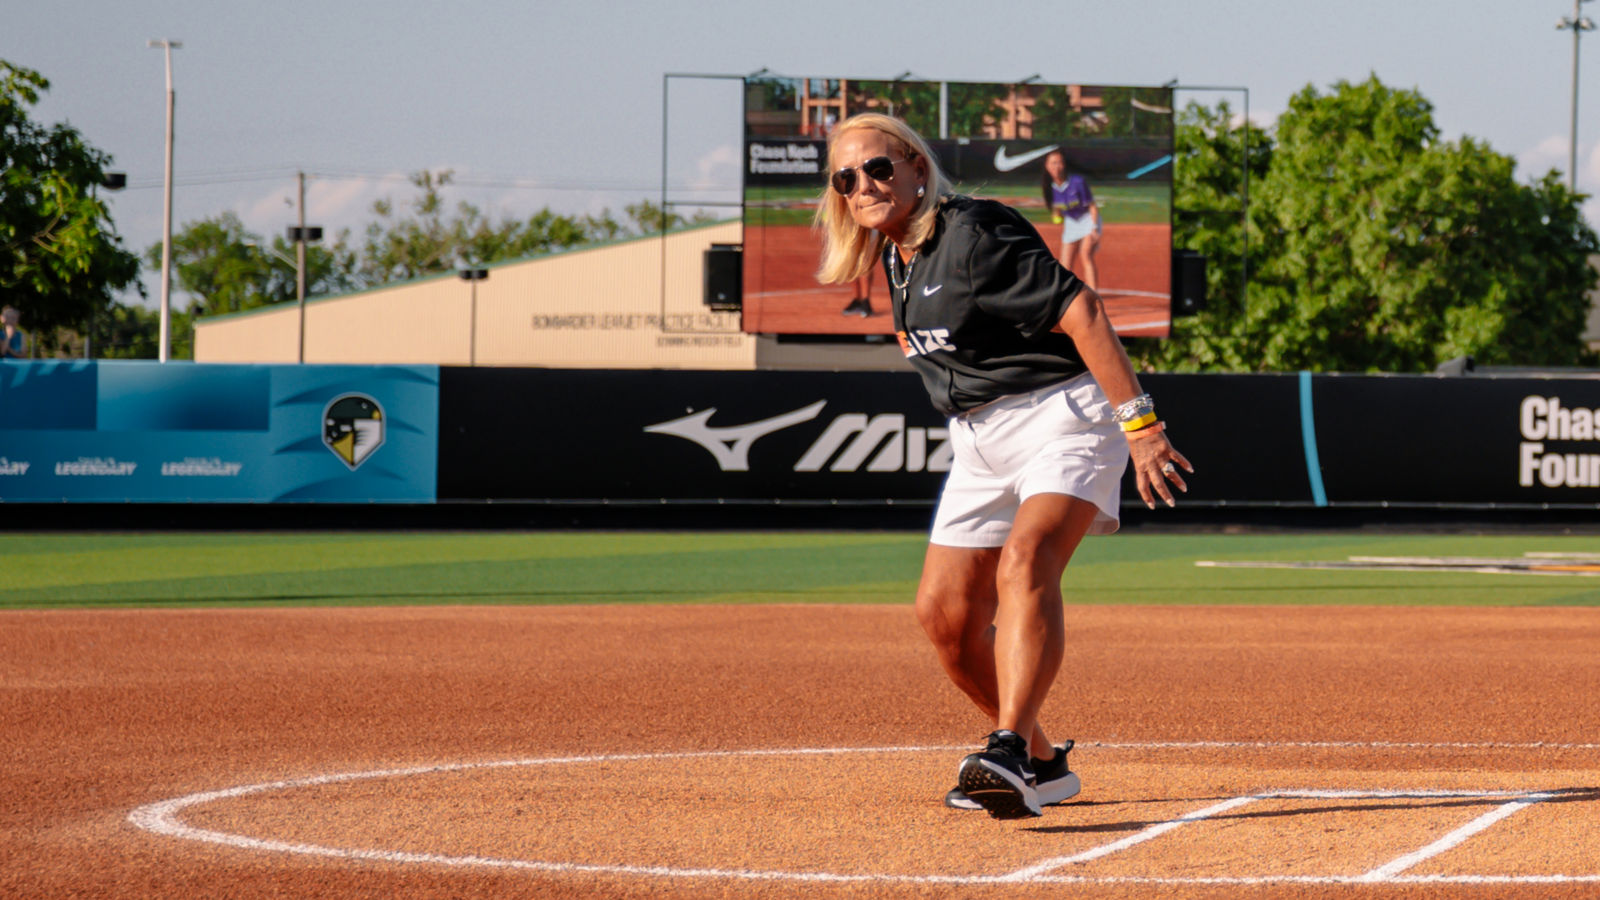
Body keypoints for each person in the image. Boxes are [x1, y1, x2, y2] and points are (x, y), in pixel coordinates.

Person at [815, 113, 1191, 819]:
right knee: (944, 618)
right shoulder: (896, 258)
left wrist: (1141, 429)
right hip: (979, 439)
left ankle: (1009, 748)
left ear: (917, 169)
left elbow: (1083, 312)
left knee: (1026, 559)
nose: (864, 185)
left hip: (1064, 415)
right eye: (847, 178)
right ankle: (1045, 765)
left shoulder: (973, 230)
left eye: (879, 168)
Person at [1040, 150, 1101, 291]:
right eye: (1053, 163)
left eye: (1060, 162)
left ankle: (1094, 296)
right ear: (1047, 166)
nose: (1057, 166)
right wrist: (1056, 215)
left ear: (1064, 165)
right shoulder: (1049, 189)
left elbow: (1092, 207)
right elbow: (1057, 211)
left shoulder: (1077, 182)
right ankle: (1064, 297)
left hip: (1088, 220)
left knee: (1086, 254)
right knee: (1065, 265)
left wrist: (1094, 229)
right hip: (1071, 223)